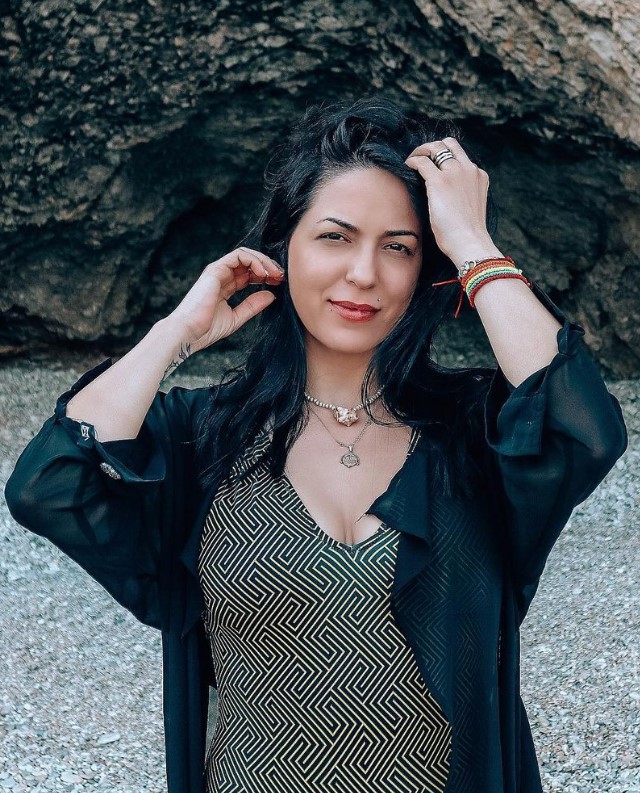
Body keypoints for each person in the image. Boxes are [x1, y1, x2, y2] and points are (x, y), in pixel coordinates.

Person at [5, 97, 628, 793]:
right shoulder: (202, 436)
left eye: (399, 247)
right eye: (335, 237)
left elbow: (585, 428)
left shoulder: (474, 433)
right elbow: (48, 484)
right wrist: (175, 333)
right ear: (283, 248)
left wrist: (471, 242)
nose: (363, 273)